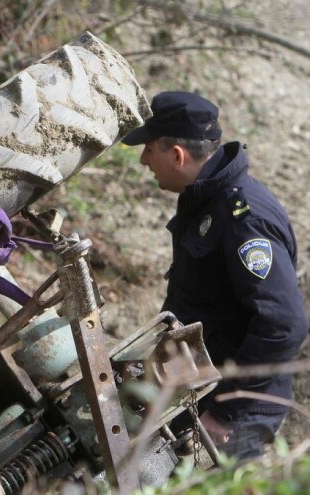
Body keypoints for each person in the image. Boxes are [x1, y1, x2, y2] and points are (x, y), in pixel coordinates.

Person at [122, 91, 308, 461]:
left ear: (177, 155)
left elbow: (283, 324)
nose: (144, 160)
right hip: (197, 389)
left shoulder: (245, 219)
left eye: (149, 150)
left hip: (234, 412)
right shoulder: (204, 200)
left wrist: (224, 412)